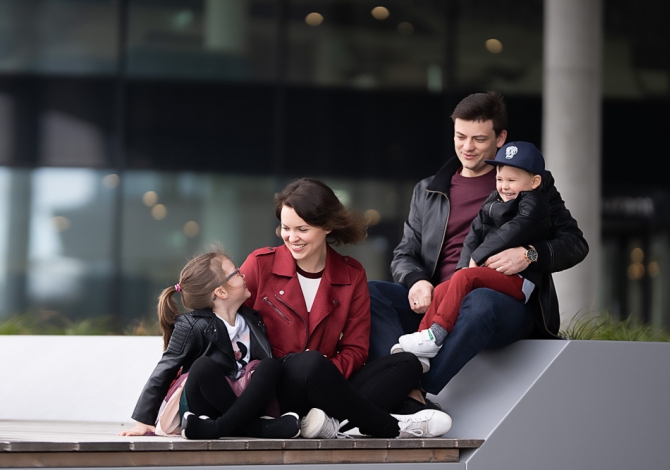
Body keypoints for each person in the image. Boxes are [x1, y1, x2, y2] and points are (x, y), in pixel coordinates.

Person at [368, 92, 589, 400]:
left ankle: (416, 391)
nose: (468, 147)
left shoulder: (528, 183)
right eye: (461, 136)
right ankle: (399, 372)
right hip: (439, 298)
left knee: (480, 302)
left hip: (501, 302)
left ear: (501, 138)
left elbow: (575, 244)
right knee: (370, 293)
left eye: (479, 139)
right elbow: (405, 252)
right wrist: (416, 280)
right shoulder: (429, 190)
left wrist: (530, 255)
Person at [237, 177, 453, 439]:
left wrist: (327, 380)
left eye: (302, 230)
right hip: (274, 387)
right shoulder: (260, 265)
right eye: (285, 228)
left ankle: (332, 423)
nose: (292, 238)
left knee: (409, 364)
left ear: (327, 226)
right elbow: (228, 321)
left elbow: (356, 348)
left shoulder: (352, 274)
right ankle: (385, 423)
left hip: (329, 383)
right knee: (311, 362)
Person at [393, 141, 551, 372]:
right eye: (499, 180)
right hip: (490, 274)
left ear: (535, 181)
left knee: (465, 279)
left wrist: (478, 257)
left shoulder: (533, 203)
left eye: (512, 180)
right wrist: (466, 264)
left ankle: (436, 336)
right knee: (444, 287)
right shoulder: (494, 200)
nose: (504, 186)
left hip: (519, 280)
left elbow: (513, 230)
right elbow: (474, 232)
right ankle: (422, 346)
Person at [119, 247, 300, 440]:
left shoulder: (252, 320)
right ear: (221, 291)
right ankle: (258, 429)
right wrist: (143, 420)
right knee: (203, 367)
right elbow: (166, 368)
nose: (243, 274)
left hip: (242, 402)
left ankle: (218, 428)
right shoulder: (193, 324)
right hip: (206, 403)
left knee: (270, 365)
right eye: (236, 273)